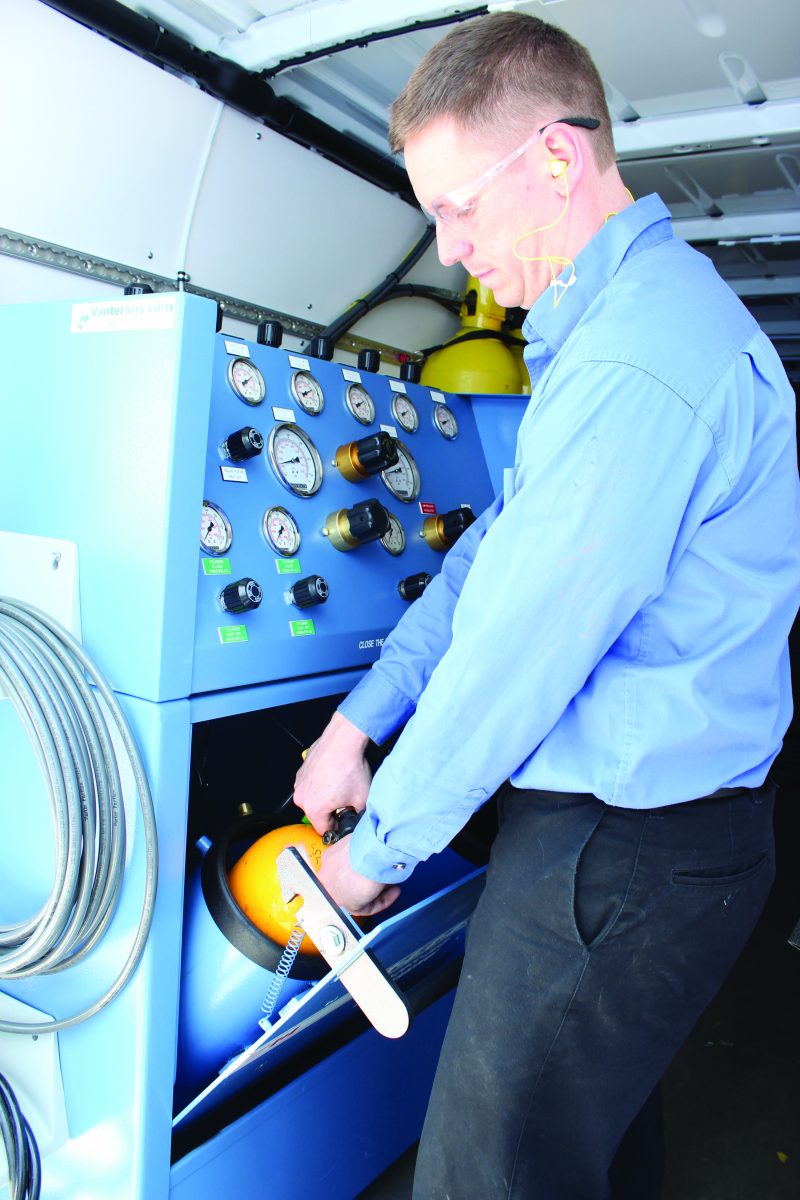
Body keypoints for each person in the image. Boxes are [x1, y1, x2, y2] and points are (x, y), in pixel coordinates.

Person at [293, 12, 800, 1199]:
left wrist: (378, 854)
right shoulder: (608, 336)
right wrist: (357, 722)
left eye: (458, 207)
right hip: (644, 840)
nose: (446, 247)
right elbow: (489, 565)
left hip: (626, 851)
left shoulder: (636, 361)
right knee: (585, 1156)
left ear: (558, 160)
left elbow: (522, 648)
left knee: (484, 1180)